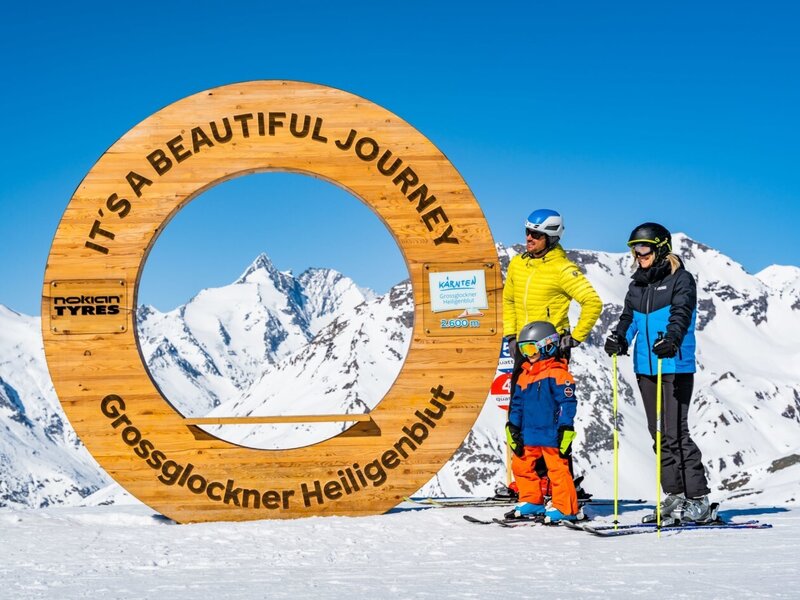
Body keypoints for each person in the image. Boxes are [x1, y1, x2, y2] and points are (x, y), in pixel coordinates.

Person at [604, 222, 713, 523]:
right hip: (646, 367)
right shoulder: (636, 286)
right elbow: (628, 319)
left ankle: (699, 499)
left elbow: (682, 313)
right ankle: (675, 494)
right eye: (635, 249)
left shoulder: (681, 280)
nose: (639, 254)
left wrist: (672, 340)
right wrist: (619, 338)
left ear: (661, 247)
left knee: (677, 432)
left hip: (674, 365)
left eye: (644, 248)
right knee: (658, 434)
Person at [501, 209, 602, 499]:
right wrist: (511, 335)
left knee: (550, 419)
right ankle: (527, 482)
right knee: (520, 415)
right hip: (524, 349)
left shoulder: (562, 269)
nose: (528, 238)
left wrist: (574, 338)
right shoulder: (518, 265)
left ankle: (559, 484)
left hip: (549, 352)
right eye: (527, 232)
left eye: (536, 235)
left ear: (551, 237)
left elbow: (592, 302)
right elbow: (508, 300)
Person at [505, 321, 579, 522]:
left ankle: (566, 508)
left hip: (550, 433)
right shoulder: (524, 375)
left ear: (547, 345)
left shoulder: (558, 374)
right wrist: (512, 426)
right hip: (529, 433)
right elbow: (517, 404)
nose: (527, 354)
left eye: (530, 347)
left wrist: (565, 427)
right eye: (523, 349)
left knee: (557, 470)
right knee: (520, 466)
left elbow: (567, 403)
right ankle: (532, 500)